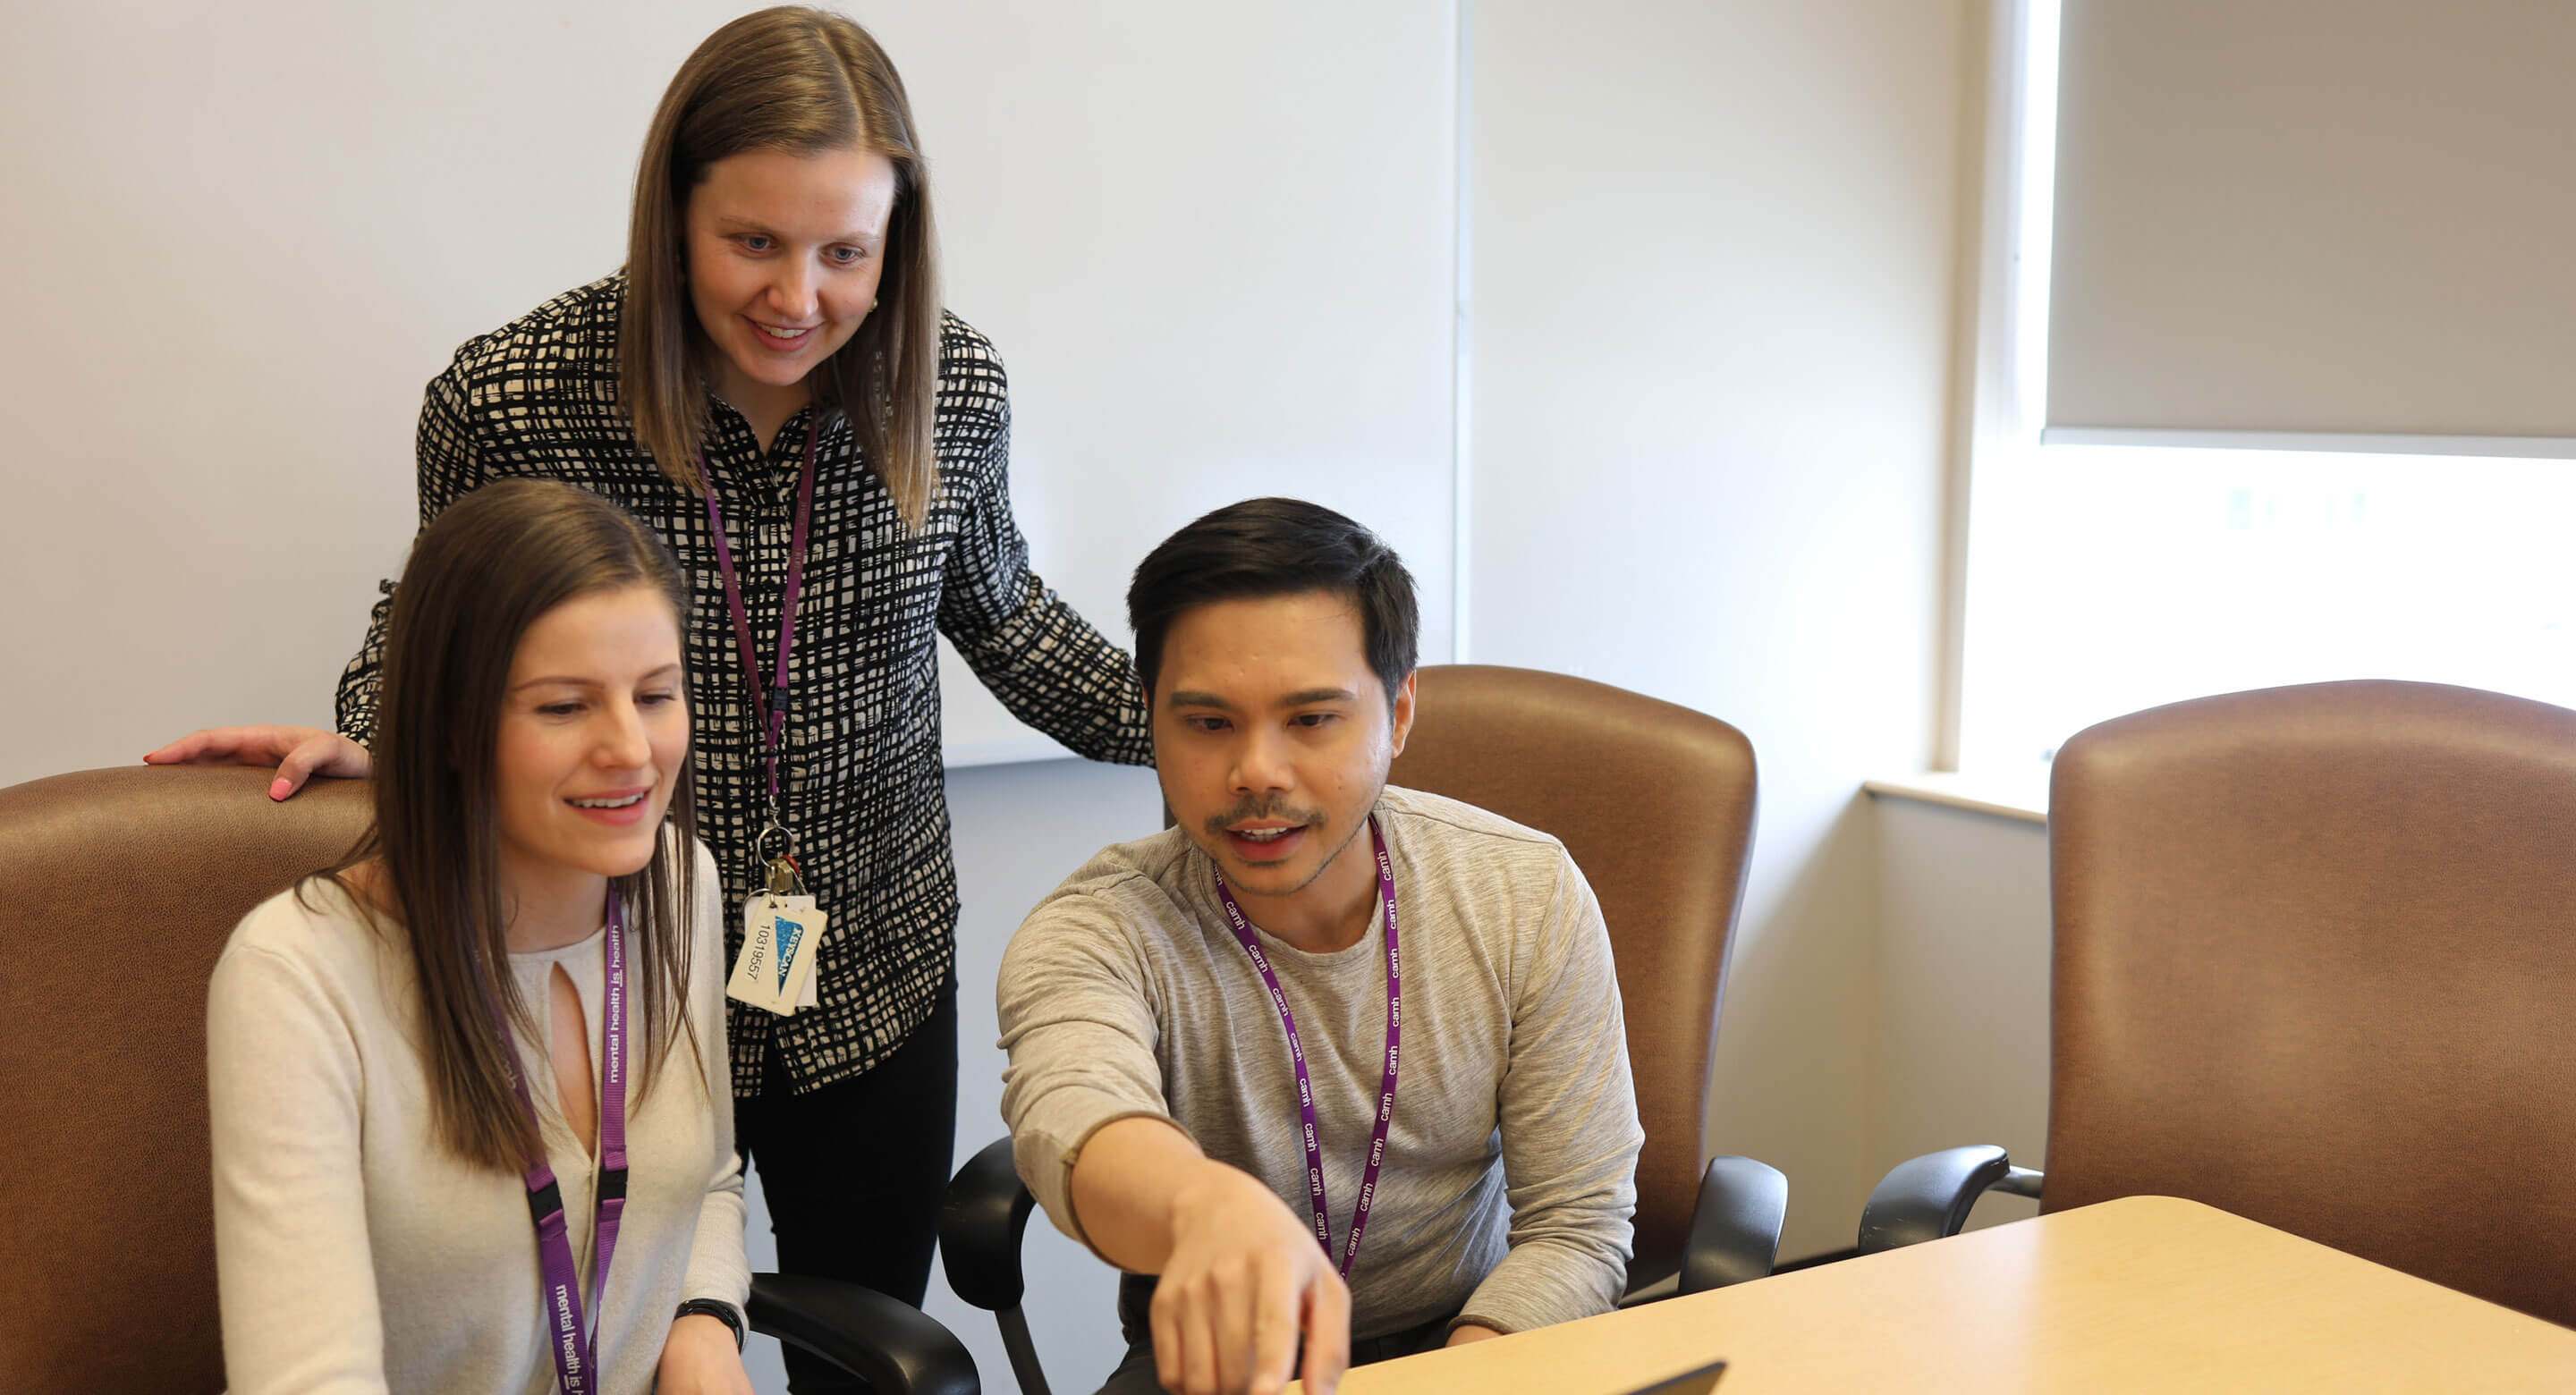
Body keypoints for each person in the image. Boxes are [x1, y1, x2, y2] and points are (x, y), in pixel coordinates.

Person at [148, 12, 1150, 1381]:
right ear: (672, 212)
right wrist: (382, 732)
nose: (800, 295)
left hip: (871, 962)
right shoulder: (516, 397)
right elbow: (440, 623)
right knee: (590, 1338)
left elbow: (1008, 616)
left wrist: (1221, 728)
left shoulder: (948, 384)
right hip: (607, 969)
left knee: (856, 1349)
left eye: (846, 253)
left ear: (894, 246)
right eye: (754, 242)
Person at [996, 499, 1646, 1395]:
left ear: (1400, 711)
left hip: (1478, 1338)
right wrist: (1204, 1210)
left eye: (1311, 720)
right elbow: (1073, 1112)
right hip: (1220, 1361)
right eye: (1210, 723)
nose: (1257, 771)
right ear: (1150, 716)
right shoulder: (1100, 929)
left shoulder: (1524, 894)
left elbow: (1577, 1227)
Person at [208, 479, 750, 1394]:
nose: (631, 749)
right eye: (564, 707)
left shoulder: (675, 883)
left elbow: (709, 1181)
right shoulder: (297, 975)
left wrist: (703, 1325)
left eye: (655, 695)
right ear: (453, 726)